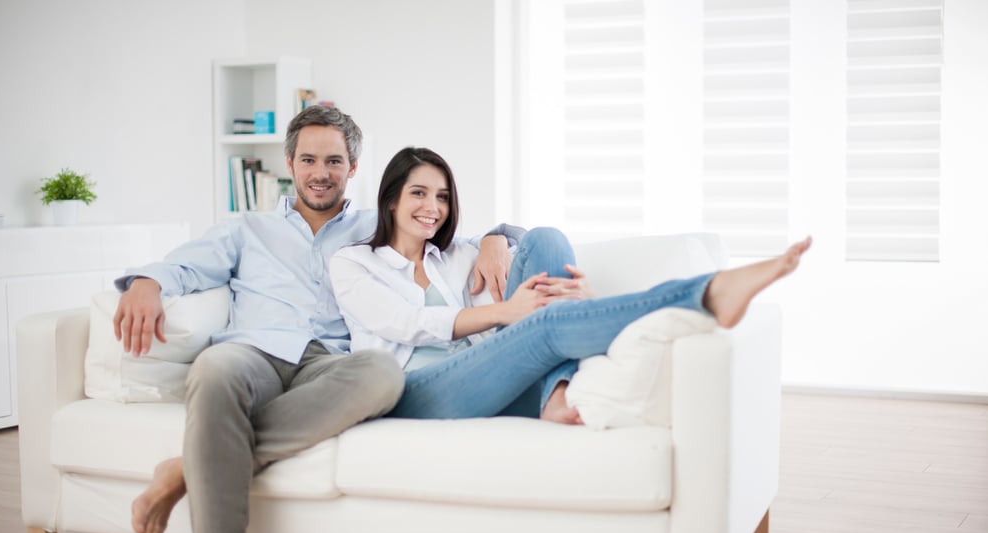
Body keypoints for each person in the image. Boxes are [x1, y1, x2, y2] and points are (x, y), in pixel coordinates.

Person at [115, 108, 517, 533]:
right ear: (290, 164)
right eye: (309, 160)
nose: (320, 172)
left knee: (384, 375)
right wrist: (145, 282)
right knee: (212, 372)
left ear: (353, 167)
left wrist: (499, 237)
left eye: (334, 160)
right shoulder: (245, 229)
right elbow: (182, 268)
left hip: (330, 363)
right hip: (253, 351)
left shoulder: (375, 227)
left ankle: (187, 467)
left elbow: (448, 234)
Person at [329, 147, 812, 423]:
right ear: (390, 199)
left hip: (485, 377)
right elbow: (408, 323)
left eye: (442, 196)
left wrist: (499, 237)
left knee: (546, 238)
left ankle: (553, 394)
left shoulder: (456, 254)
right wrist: (505, 313)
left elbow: (529, 248)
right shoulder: (353, 264)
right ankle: (704, 295)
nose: (432, 207)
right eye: (418, 193)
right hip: (415, 392)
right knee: (541, 321)